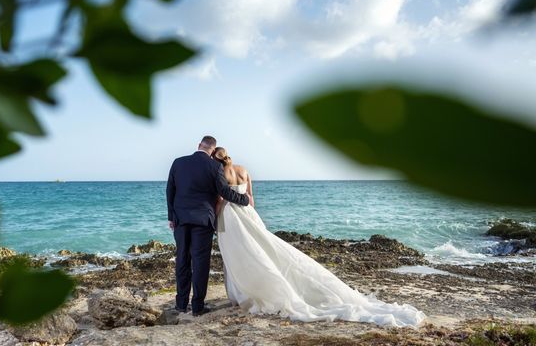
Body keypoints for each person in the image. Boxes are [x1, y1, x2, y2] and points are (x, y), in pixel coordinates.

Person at [212, 146, 426, 327]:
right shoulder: (243, 170)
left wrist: (215, 217)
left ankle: (244, 292)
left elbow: (221, 200)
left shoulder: (222, 174)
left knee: (240, 254)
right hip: (250, 214)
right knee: (262, 250)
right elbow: (250, 197)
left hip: (232, 217)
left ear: (216, 160)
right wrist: (254, 216)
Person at [166, 136, 250, 316]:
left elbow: (170, 190)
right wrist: (244, 200)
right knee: (201, 263)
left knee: (182, 260)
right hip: (203, 220)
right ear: (212, 151)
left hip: (180, 218)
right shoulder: (215, 166)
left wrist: (171, 216)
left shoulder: (178, 162)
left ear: (199, 145)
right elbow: (224, 191)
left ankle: (181, 304)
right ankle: (197, 307)